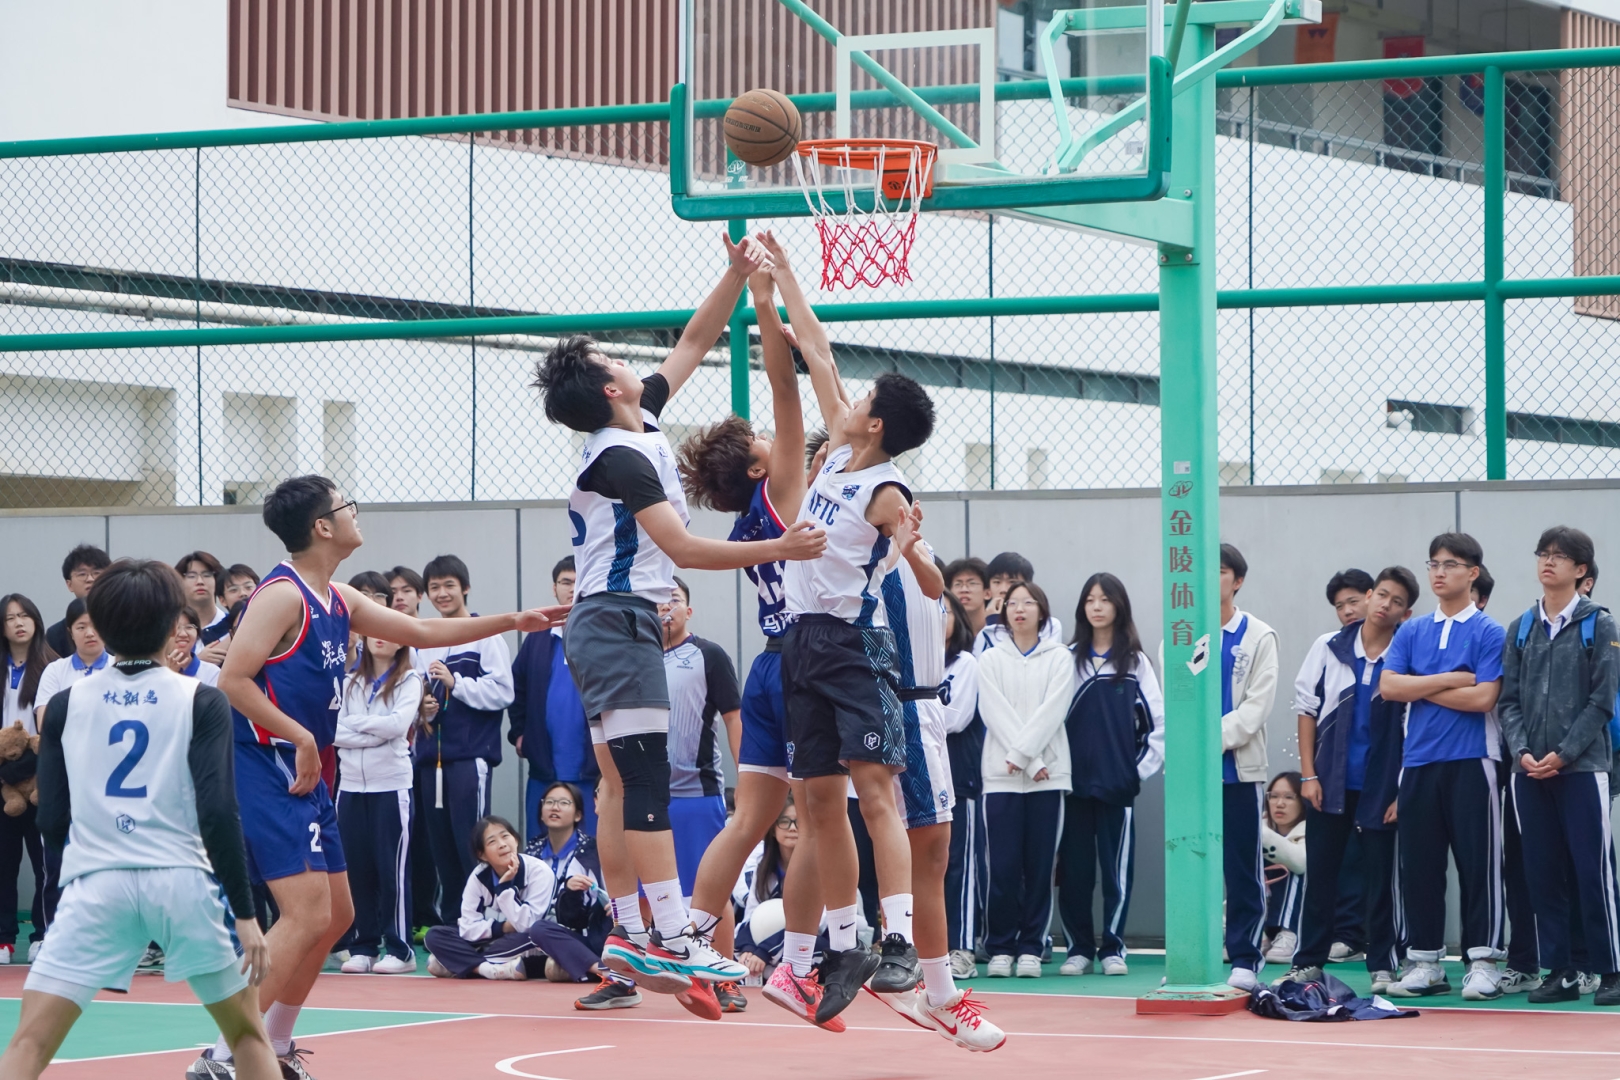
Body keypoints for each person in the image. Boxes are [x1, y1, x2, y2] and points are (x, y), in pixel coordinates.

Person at [530, 232, 821, 1018]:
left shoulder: (640, 425)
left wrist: (734, 275)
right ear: (610, 387)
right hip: (617, 619)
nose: (635, 365)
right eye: (616, 362)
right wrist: (782, 546)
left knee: (623, 784)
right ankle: (671, 935)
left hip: (608, 622)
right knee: (645, 779)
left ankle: (632, 935)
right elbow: (685, 549)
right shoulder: (617, 458)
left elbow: (694, 340)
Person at [193, 474, 565, 1079]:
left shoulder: (338, 597)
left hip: (308, 769)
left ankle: (276, 1045)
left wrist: (511, 620)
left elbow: (420, 632)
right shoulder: (280, 595)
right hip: (269, 764)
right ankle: (221, 1054)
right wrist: (301, 736)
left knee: (337, 916)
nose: (355, 513)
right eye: (347, 506)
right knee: (305, 915)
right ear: (322, 526)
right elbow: (233, 680)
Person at [2, 559, 278, 1080]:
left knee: (29, 1043)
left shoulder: (63, 704)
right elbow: (219, 811)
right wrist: (245, 914)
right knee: (246, 1037)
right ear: (176, 624)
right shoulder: (202, 698)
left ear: (100, 627)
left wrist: (80, 877)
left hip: (96, 883)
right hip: (182, 881)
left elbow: (52, 818)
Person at [673, 238, 837, 1026]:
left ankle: (692, 948)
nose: (780, 439)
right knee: (822, 821)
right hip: (810, 666)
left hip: (770, 664)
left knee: (750, 821)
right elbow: (786, 388)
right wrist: (766, 303)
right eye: (767, 443)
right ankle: (800, 966)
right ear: (754, 467)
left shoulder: (747, 524)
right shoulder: (780, 491)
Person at [775, 298, 938, 1023]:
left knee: (874, 791)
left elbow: (932, 585)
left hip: (854, 645)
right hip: (802, 642)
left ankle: (898, 938)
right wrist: (781, 274)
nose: (852, 398)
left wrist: (907, 551)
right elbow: (819, 352)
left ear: (875, 423)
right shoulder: (840, 457)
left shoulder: (886, 490)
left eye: (865, 397)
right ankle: (845, 942)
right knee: (817, 800)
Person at [865, 528, 1006, 1053]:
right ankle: (927, 985)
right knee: (922, 850)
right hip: (897, 704)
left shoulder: (910, 550)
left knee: (931, 852)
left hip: (918, 706)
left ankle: (927, 982)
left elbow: (933, 588)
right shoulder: (859, 547)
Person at [1278, 566, 1418, 991]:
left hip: (1382, 786)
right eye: (1382, 595)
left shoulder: (1407, 655)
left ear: (1406, 614)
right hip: (1329, 783)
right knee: (1321, 875)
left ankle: (1383, 964)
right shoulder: (1328, 647)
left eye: (1397, 602)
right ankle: (1308, 961)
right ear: (1370, 595)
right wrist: (1309, 775)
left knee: (1381, 880)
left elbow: (1414, 726)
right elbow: (1306, 710)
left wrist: (1401, 790)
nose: (1386, 605)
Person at [1380, 532, 1507, 1000]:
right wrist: (1452, 678)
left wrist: (1419, 684)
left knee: (1479, 866)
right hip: (1418, 762)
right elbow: (1390, 688)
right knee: (1420, 867)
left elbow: (1484, 698)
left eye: (1450, 564)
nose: (1439, 572)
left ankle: (1484, 962)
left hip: (1474, 760)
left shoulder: (1490, 631)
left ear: (1472, 573)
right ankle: (1426, 963)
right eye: (1433, 563)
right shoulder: (1411, 631)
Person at [1499, 526, 1620, 1006]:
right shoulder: (1520, 627)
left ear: (1581, 570)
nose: (1548, 562)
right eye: (1543, 554)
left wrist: (1565, 753)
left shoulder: (1600, 625)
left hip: (1583, 769)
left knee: (1592, 872)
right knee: (1541, 872)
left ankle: (1610, 969)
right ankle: (1561, 970)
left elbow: (1603, 700)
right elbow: (1508, 702)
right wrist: (1522, 751)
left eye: (1560, 556)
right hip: (1528, 772)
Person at [1057, 573, 1163, 978]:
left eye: (1105, 599)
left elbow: (1158, 728)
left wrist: (1134, 773)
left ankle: (1113, 948)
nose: (1097, 606)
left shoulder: (1135, 663)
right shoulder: (1066, 659)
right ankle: (1078, 949)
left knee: (1117, 873)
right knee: (1075, 872)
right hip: (1072, 788)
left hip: (1118, 788)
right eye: (1090, 599)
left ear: (1119, 606)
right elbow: (1050, 720)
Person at [977, 580, 1074, 980]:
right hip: (1001, 777)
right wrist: (1027, 760)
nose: (1019, 609)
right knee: (1001, 868)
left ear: (1042, 611)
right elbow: (993, 712)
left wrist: (1029, 760)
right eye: (1013, 603)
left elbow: (1054, 711)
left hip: (1048, 779)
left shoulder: (1060, 658)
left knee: (1039, 868)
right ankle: (1001, 948)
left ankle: (1032, 947)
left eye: (1028, 603)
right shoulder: (989, 659)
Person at [414, 554, 515, 929]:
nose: (442, 594)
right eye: (434, 587)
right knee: (440, 847)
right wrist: (423, 708)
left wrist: (457, 684)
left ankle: (483, 922)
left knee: (471, 844)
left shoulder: (485, 635)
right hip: (430, 760)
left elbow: (503, 692)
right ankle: (452, 924)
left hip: (469, 760)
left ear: (465, 588)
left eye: (449, 586)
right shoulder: (423, 639)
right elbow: (413, 695)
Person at [659, 578, 745, 1010]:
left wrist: (747, 779)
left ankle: (725, 979)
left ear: (688, 611)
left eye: (674, 600)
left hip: (698, 792)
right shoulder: (634, 658)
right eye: (657, 601)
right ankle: (626, 979)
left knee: (710, 892)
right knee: (645, 895)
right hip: (646, 796)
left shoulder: (709, 655)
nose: (665, 607)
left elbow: (734, 719)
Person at [333, 619, 423, 976]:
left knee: (392, 871)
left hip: (391, 786)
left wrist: (357, 723)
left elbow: (398, 726)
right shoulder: (348, 682)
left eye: (390, 632)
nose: (381, 637)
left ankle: (401, 949)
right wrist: (374, 730)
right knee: (356, 870)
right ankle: (363, 946)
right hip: (351, 786)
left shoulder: (410, 679)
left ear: (402, 641)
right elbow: (333, 730)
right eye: (375, 631)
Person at [1211, 543, 1280, 991]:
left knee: (1241, 868)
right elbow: (1173, 701)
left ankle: (1245, 957)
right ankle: (1191, 956)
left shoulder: (1258, 636)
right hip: (1191, 776)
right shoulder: (1179, 634)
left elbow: (1256, 708)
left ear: (1237, 581)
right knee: (1190, 866)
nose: (1209, 578)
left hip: (1238, 770)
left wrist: (1205, 742)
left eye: (1219, 571)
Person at [423, 816, 602, 983]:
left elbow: (527, 925)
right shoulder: (478, 877)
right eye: (492, 841)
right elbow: (467, 928)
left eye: (505, 836)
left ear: (515, 840)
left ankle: (459, 962)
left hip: (530, 940)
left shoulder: (539, 871)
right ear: (482, 855)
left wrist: (504, 889)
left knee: (533, 936)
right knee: (435, 935)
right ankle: (487, 969)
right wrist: (503, 927)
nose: (502, 844)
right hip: (492, 939)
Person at [521, 782, 633, 1009]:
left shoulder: (636, 842)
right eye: (550, 802)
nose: (555, 808)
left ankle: (593, 968)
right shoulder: (539, 852)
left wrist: (629, 907)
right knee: (539, 929)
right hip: (588, 937)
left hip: (624, 935)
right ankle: (605, 972)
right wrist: (570, 893)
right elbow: (573, 920)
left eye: (563, 803)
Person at [510, 556, 599, 841]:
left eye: (579, 582)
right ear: (554, 588)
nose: (572, 589)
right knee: (539, 847)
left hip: (592, 771)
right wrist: (519, 734)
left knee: (592, 851)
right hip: (544, 769)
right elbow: (517, 688)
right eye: (565, 582)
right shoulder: (538, 638)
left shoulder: (604, 637)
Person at [0, 595, 54, 966]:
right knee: (4, 863)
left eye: (24, 616)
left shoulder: (52, 666)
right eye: (9, 618)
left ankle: (41, 934)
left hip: (41, 780)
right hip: (3, 782)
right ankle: (4, 938)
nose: (19, 623)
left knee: (43, 863)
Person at [941, 592, 987, 980]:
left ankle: (962, 947)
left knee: (960, 865)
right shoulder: (906, 663)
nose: (937, 618)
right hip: (915, 777)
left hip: (958, 777)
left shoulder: (965, 663)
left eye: (945, 611)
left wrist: (915, 711)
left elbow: (955, 718)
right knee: (922, 866)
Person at [34, 600, 109, 724]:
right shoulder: (55, 670)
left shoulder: (119, 668)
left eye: (96, 625)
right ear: (71, 633)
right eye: (81, 627)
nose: (89, 633)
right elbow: (44, 722)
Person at [973, 553, 1063, 656]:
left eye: (1012, 582)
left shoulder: (1049, 626)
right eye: (997, 582)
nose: (1003, 590)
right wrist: (995, 623)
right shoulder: (984, 633)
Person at [1260, 772, 1307, 964]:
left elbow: (1300, 862)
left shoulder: (1311, 829)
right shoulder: (1262, 826)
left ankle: (1289, 933)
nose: (1279, 804)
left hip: (1303, 918)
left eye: (1289, 797)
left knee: (1294, 869)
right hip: (1268, 911)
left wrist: (1261, 835)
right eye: (1273, 796)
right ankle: (1254, 934)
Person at [43, 545, 109, 659]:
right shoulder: (56, 634)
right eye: (82, 574)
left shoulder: (125, 624)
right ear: (69, 584)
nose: (90, 579)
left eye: (97, 573)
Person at [176, 551, 231, 651]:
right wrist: (200, 659)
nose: (200, 582)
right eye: (191, 576)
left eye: (207, 575)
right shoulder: (171, 630)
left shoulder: (231, 625)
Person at [166, 609, 222, 686]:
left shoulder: (212, 673)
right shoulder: (152, 670)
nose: (183, 634)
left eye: (189, 627)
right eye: (176, 627)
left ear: (197, 634)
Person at [945, 559, 990, 638]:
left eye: (972, 583)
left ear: (987, 593)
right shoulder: (946, 633)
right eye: (958, 584)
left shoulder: (996, 631)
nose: (964, 590)